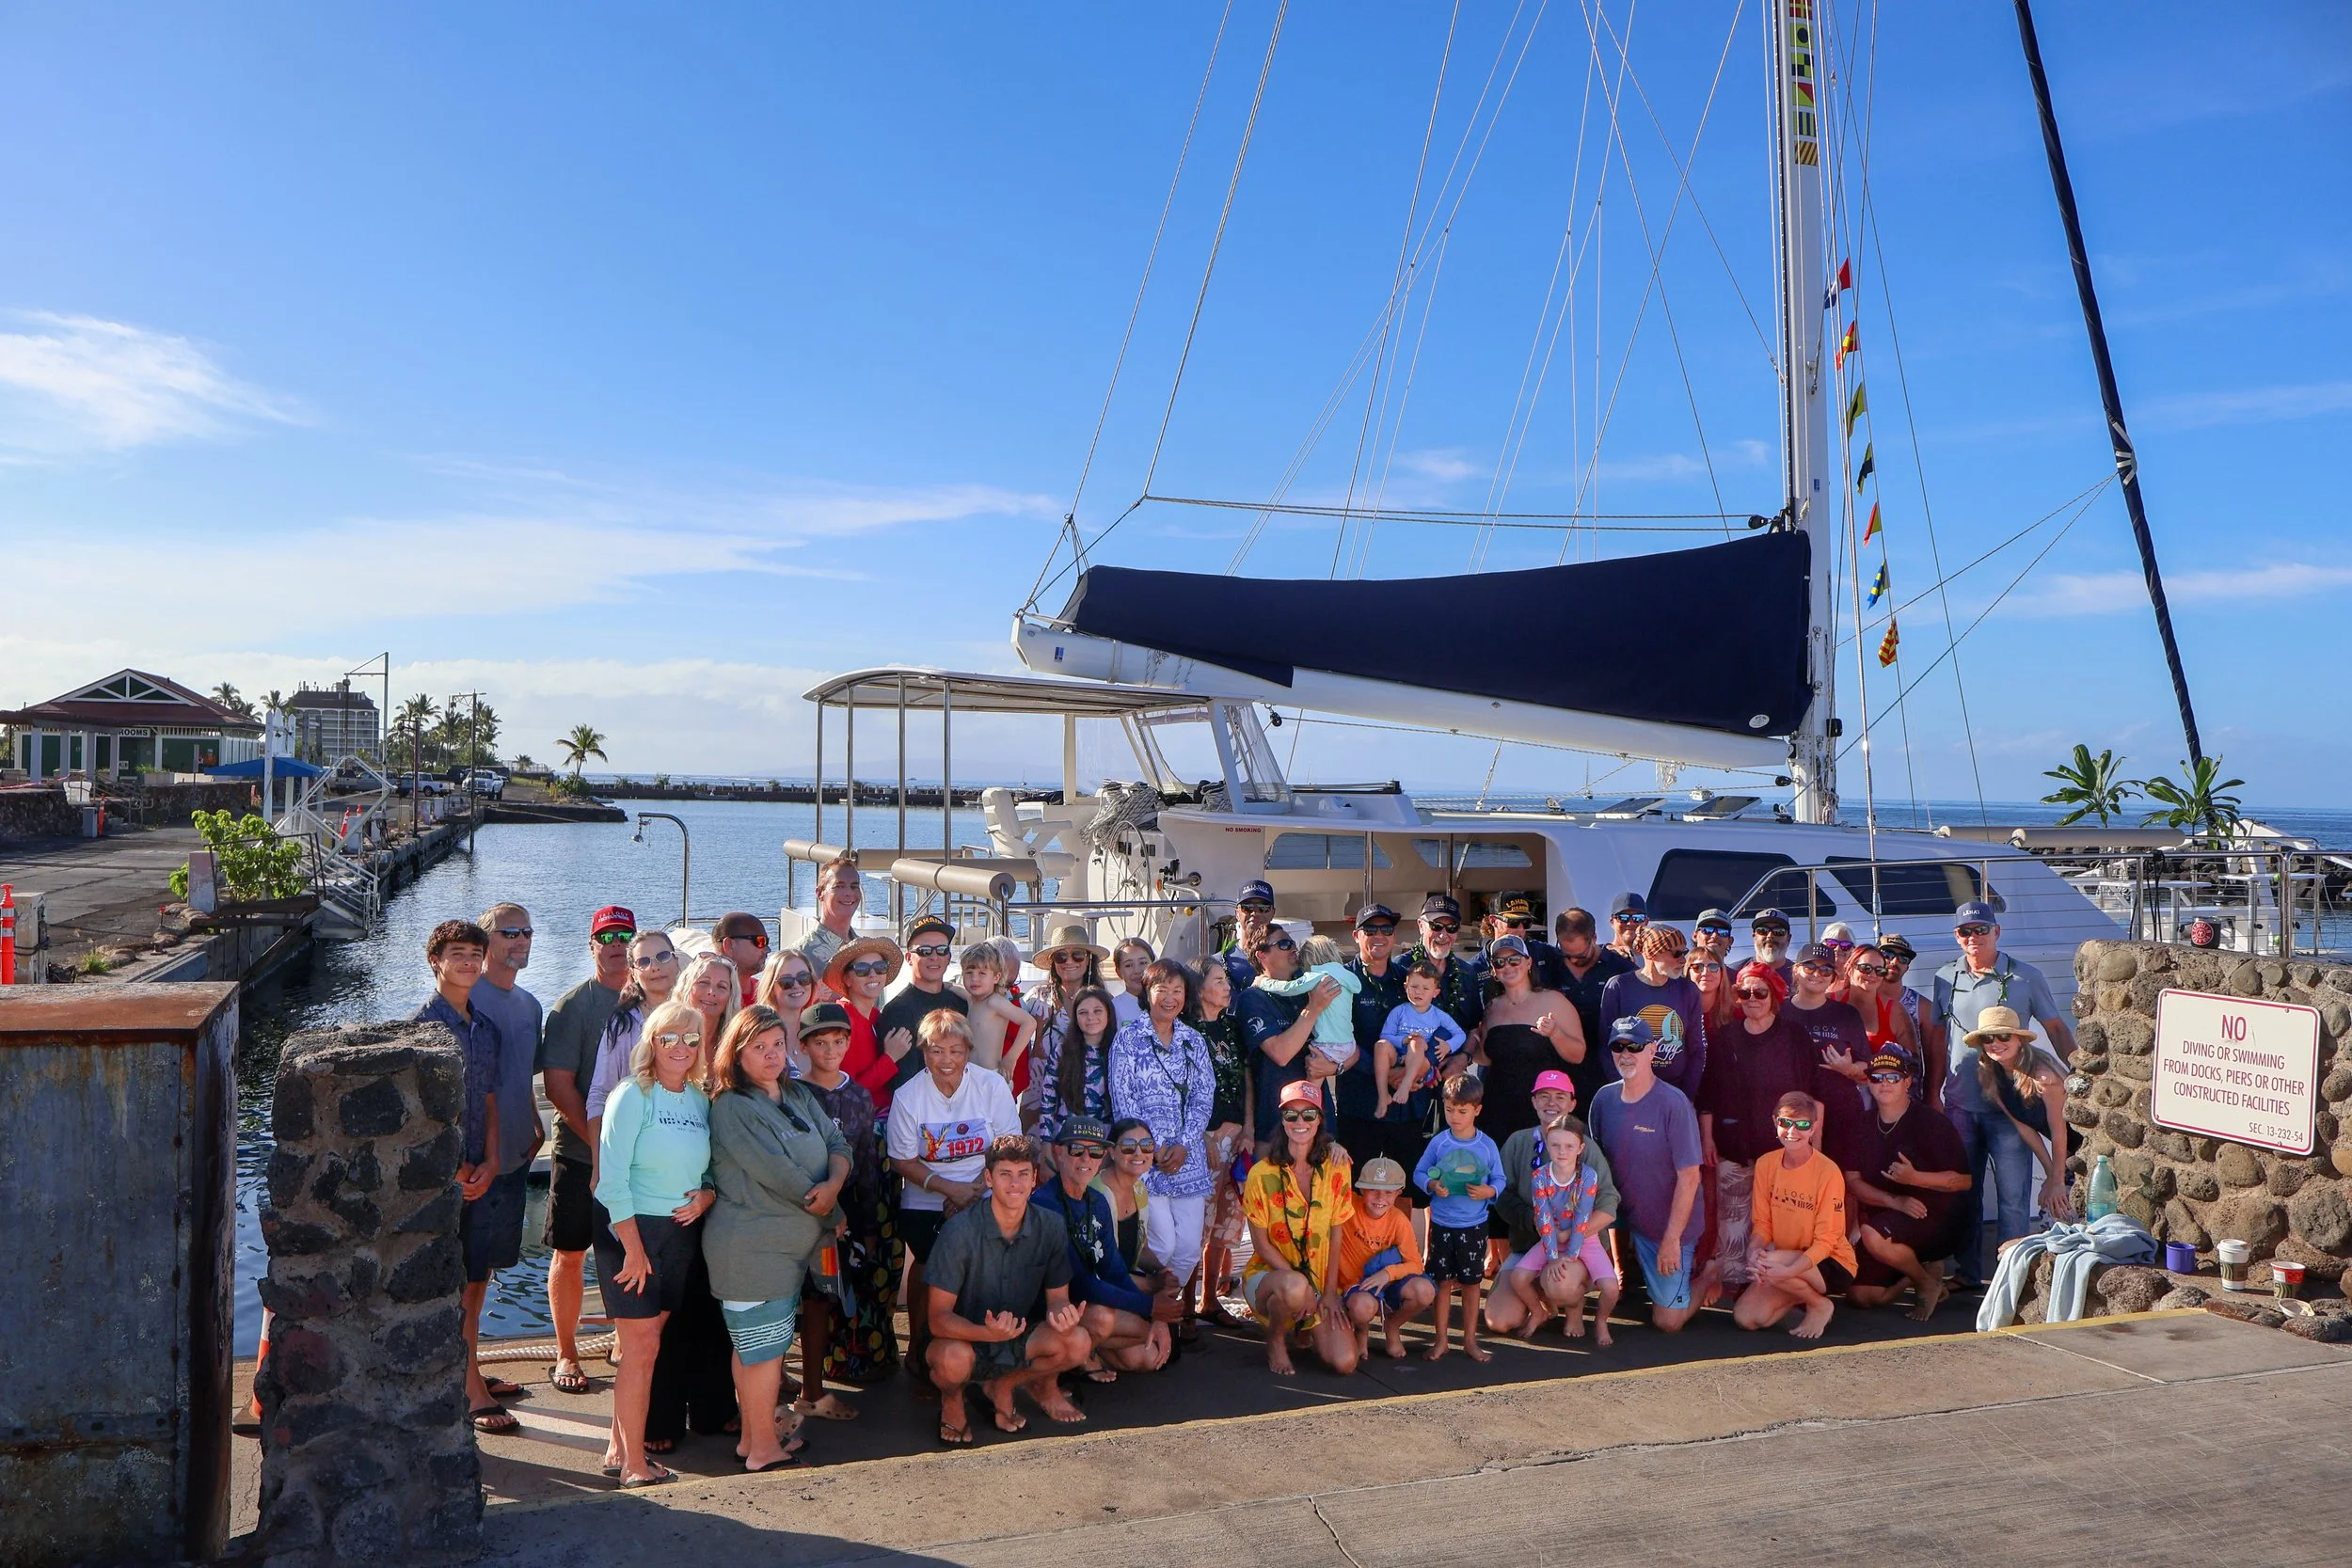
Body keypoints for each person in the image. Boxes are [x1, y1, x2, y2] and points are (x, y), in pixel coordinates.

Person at [704, 1005, 850, 1471]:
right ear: (736, 1053)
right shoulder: (731, 1107)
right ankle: (764, 1449)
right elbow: (782, 1176)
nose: (771, 1055)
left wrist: (835, 1186)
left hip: (788, 1252)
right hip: (751, 1251)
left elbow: (838, 1145)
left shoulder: (797, 1095)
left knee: (756, 1350)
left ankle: (753, 1438)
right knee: (762, 1354)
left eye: (777, 1045)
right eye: (759, 1047)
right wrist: (831, 1206)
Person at [593, 999, 714, 1488]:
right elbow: (610, 1181)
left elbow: (705, 1170)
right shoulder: (631, 1095)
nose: (680, 1047)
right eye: (669, 1037)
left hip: (680, 1234)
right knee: (641, 1350)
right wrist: (634, 1248)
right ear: (652, 1042)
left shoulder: (699, 1100)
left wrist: (707, 1196)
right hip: (631, 1232)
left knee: (644, 1347)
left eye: (691, 1038)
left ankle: (620, 1445)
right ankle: (635, 1466)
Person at [1928, 902, 2074, 1289]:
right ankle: (1969, 1273)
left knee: (2013, 1196)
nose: (1972, 938)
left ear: (1997, 932)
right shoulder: (1945, 977)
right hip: (1961, 1103)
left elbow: (2056, 1028)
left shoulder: (2025, 977)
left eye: (1980, 929)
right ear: (1956, 937)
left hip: (2010, 1105)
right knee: (1966, 1194)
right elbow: (1939, 1039)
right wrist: (1934, 1092)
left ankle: (2015, 1277)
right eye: (1964, 932)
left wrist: (2078, 1075)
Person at [923, 1135, 1094, 1443]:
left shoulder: (1051, 1225)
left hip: (1018, 1336)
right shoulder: (959, 1232)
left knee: (1077, 1341)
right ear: (989, 1178)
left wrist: (1062, 1314)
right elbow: (938, 1319)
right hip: (964, 1340)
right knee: (950, 1360)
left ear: (1034, 1180)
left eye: (1023, 1174)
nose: (1015, 1183)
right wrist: (986, 1333)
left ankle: (1005, 1385)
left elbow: (1057, 1298)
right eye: (1005, 1174)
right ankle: (952, 1402)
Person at [886, 1009, 1021, 1382]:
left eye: (956, 1051)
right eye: (936, 1051)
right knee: (928, 1265)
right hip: (929, 1196)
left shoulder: (991, 1086)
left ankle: (982, 1349)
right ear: (924, 1052)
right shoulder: (908, 1095)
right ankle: (917, 1346)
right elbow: (901, 1159)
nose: (947, 1060)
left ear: (968, 1051)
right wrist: (948, 1189)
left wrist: (974, 1189)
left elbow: (1009, 1144)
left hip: (984, 1190)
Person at [412, 920, 506, 1433]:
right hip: (439, 1179)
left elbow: (487, 1101)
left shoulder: (485, 1029)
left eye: (475, 953)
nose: (468, 962)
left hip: (479, 1174)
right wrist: (452, 1167)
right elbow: (420, 1113)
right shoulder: (420, 1029)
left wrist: (491, 1161)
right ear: (436, 961)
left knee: (476, 1280)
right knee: (446, 1286)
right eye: (458, 953)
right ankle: (464, 1388)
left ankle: (471, 1376)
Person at [537, 904, 634, 1395]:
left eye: (625, 935)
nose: (616, 944)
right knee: (571, 1254)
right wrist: (600, 1145)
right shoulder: (572, 1007)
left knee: (628, 1251)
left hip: (640, 1160)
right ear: (592, 945)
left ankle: (624, 1334)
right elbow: (558, 1086)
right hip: (578, 1153)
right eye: (607, 936)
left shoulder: (653, 1000)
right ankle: (566, 1352)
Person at [793, 1002, 897, 1394]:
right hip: (805, 1213)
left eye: (839, 1041)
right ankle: (810, 1388)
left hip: (849, 1213)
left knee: (841, 1289)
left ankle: (845, 1365)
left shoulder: (858, 1095)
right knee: (812, 1298)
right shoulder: (793, 1095)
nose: (831, 1050)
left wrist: (867, 1224)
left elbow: (867, 1163)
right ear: (804, 1046)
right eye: (820, 1042)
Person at [1695, 961, 1816, 1296]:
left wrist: (1812, 1146)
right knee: (1732, 1220)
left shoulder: (1794, 1036)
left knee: (1779, 1220)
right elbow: (1709, 1093)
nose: (1752, 998)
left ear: (1774, 996)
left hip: (1783, 1150)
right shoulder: (1726, 1037)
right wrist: (1707, 1138)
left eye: (1759, 992)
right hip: (1733, 1145)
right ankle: (1734, 1282)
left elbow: (1809, 1096)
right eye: (1743, 992)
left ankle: (1772, 1283)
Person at [1108, 958, 1216, 1329]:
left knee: (1187, 1249)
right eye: (1161, 989)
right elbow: (1122, 1098)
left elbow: (1204, 1096)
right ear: (1147, 992)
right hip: (1143, 1161)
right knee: (1162, 1246)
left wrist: (1185, 1144)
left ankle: (1162, 1314)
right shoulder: (1127, 1038)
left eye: (1177, 990)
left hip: (1188, 1160)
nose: (1169, 998)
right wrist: (1149, 1148)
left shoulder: (1194, 1041)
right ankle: (1149, 1313)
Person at [1836, 1045, 1972, 1320]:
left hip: (1934, 1218)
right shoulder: (1860, 1125)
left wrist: (1915, 1178)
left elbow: (1964, 1182)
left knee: (1873, 1234)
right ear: (1869, 1083)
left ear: (1907, 1082)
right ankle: (1922, 1275)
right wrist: (1894, 1201)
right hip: (1889, 1219)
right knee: (1860, 1296)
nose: (1884, 1084)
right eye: (1877, 1077)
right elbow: (1852, 1181)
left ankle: (1924, 1283)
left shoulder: (1931, 1122)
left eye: (1893, 1077)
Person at [1031, 1117, 1174, 1377]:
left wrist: (1155, 1316)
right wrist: (1150, 1308)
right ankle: (1053, 1370)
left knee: (1146, 1357)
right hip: (1046, 1309)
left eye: (1095, 1151)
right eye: (1077, 1150)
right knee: (1105, 1320)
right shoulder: (1045, 1205)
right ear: (1058, 1152)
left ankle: (1089, 1351)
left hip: (1084, 1304)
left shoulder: (1095, 1201)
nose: (1086, 1158)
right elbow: (1079, 1283)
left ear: (1102, 1156)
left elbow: (1114, 1270)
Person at [1589, 1018, 1705, 1332]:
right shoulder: (1603, 1100)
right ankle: (1624, 1270)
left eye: (1635, 1047)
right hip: (1628, 1218)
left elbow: (1690, 1177)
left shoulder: (1674, 1103)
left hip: (1664, 1228)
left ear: (1652, 1050)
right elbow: (1599, 1171)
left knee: (1668, 1323)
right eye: (1618, 1046)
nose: (1626, 1054)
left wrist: (1671, 1240)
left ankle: (1707, 1278)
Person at [1239, 1081, 1360, 1376]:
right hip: (1271, 1278)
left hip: (1319, 1281)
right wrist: (1301, 1283)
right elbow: (1261, 1245)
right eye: (1291, 1115)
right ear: (1282, 1121)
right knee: (1294, 1288)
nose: (1300, 1122)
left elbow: (1336, 1232)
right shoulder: (1261, 1173)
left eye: (1308, 1114)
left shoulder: (1338, 1167)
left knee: (1345, 1363)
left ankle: (1304, 1327)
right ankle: (1277, 1339)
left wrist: (1329, 1293)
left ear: (1319, 1119)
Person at [1487, 1070, 1623, 1335]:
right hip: (1529, 1245)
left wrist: (1568, 1236)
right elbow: (1500, 1195)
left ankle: (1573, 1307)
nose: (1551, 1103)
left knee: (1561, 1285)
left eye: (1560, 1097)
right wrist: (1534, 1221)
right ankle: (1539, 1303)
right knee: (1499, 1321)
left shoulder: (1586, 1148)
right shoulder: (1517, 1142)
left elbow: (1609, 1202)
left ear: (1572, 1104)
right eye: (1544, 1096)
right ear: (1534, 1102)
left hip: (1576, 1247)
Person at [1732, 1091, 1856, 1339]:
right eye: (1785, 1123)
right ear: (1775, 1122)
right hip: (1786, 1260)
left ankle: (1818, 1303)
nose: (1792, 1131)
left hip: (1831, 1262)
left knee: (1771, 1263)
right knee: (1746, 1317)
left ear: (1814, 1128)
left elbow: (1826, 1241)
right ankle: (1799, 1293)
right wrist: (1752, 1251)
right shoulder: (1766, 1164)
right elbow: (1763, 1224)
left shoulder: (1828, 1171)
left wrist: (1786, 1272)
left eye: (1802, 1125)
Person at [1334, 903, 1430, 1196]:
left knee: (1404, 1192)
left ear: (1393, 935)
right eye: (1370, 929)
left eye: (1386, 929)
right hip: (1359, 1106)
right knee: (1355, 1191)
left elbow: (1428, 1029)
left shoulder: (1408, 980)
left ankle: (1401, 1244)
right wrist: (1384, 1073)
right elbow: (1337, 1040)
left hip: (1407, 1107)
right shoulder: (1343, 982)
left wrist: (1420, 1070)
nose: (1379, 935)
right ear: (1356, 935)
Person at [1412, 1075, 1505, 1363]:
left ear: (1477, 1109)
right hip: (1442, 1225)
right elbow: (1418, 1173)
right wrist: (1431, 1185)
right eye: (1450, 1110)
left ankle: (1469, 1341)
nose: (1455, 1117)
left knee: (1472, 1284)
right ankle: (1441, 1341)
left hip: (1474, 1226)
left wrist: (1488, 1190)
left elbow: (1500, 1179)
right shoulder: (1439, 1143)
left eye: (1462, 1111)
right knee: (1442, 1284)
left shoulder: (1486, 1145)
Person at [1188, 958, 1254, 1330]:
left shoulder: (1231, 1026)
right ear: (1201, 988)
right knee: (1198, 1222)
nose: (1227, 986)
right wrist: (1199, 1134)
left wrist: (1248, 1126)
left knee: (1225, 1223)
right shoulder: (1187, 1029)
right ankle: (1184, 1306)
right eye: (1218, 981)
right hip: (1205, 1138)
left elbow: (1246, 1076)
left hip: (1235, 1135)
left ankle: (1209, 1299)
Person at [1237, 924, 1347, 1143]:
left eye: (1293, 944)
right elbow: (1281, 1053)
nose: (1293, 949)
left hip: (1318, 1119)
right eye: (1284, 944)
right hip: (1274, 1123)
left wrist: (1336, 1066)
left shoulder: (1310, 987)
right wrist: (1313, 1008)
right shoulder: (1252, 998)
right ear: (1262, 956)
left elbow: (1350, 1044)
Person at [1473, 935, 1585, 1146]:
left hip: (1541, 1111)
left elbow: (1578, 1055)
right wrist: (1472, 1041)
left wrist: (1555, 1034)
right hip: (1497, 1111)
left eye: (1514, 959)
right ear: (1493, 971)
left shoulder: (1553, 1000)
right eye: (1499, 962)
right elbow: (1486, 1059)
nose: (1507, 966)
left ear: (1528, 963)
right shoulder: (1492, 1008)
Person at [1974, 1008, 2074, 1224]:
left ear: (2019, 1039)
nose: (1995, 1043)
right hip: (2066, 1156)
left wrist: (2058, 1180)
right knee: (2052, 1216)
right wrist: (2050, 1175)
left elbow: (2060, 1132)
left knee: (2062, 1214)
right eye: (1987, 1038)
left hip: (2085, 1148)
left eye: (2004, 1036)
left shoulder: (2044, 1076)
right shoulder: (1989, 1075)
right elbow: (2023, 1128)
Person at [1335, 1157, 1434, 1361]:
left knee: (1425, 1291)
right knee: (1363, 1308)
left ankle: (1392, 1325)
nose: (1381, 1197)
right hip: (1356, 1284)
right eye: (1373, 1190)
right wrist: (1337, 1149)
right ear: (1361, 1189)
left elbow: (1415, 1264)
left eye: (1389, 1192)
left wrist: (1387, 1274)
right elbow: (1334, 1179)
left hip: (1386, 1282)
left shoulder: (1398, 1220)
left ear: (1398, 1193)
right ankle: (1361, 1331)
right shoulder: (1348, 1205)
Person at [586, 930, 681, 1139]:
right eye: (644, 962)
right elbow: (600, 1094)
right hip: (635, 1140)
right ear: (634, 972)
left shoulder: (694, 1016)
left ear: (676, 961)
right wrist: (599, 1162)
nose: (654, 967)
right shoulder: (622, 1024)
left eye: (663, 957)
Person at [1598, 923, 1708, 1098]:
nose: (1683, 960)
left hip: (1676, 1092)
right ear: (1652, 954)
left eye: (1684, 952)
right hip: (1630, 1093)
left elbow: (1697, 1050)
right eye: (1677, 953)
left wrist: (1686, 1096)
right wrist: (1623, 1091)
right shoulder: (1619, 987)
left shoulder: (1688, 989)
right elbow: (1605, 1047)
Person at [1784, 942, 1872, 1144]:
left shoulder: (1847, 1015)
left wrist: (1848, 1069)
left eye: (1825, 969)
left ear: (1833, 976)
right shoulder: (1778, 1011)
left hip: (1840, 1113)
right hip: (1792, 1118)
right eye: (1810, 967)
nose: (1817, 974)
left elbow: (1866, 1065)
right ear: (1796, 971)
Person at [1551, 908, 1633, 1106]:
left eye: (1580, 955)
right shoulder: (1549, 964)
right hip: (1560, 1073)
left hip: (1608, 1072)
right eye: (1566, 954)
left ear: (1594, 938)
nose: (1572, 960)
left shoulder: (1620, 968)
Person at [882, 915, 968, 1093]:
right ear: (909, 958)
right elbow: (903, 1082)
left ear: (949, 956)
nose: (934, 957)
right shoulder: (897, 1012)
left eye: (942, 950)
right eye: (925, 951)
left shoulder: (962, 1002)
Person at [1374, 960, 1469, 1119]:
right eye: (1414, 987)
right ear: (1406, 987)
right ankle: (1383, 1096)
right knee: (1380, 1046)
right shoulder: (1399, 1011)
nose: (1419, 992)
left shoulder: (1438, 1015)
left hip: (1419, 1061)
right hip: (1397, 1056)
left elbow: (1460, 1034)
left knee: (1417, 1042)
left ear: (1435, 992)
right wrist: (1403, 1040)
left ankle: (1406, 1083)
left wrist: (1448, 1046)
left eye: (1425, 988)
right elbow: (1385, 1036)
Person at [1254, 933, 1362, 1072]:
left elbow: (1289, 988)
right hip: (1349, 1044)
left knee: (1314, 1076)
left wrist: (1263, 982)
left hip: (1327, 1045)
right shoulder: (1347, 976)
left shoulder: (1317, 976)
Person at [1030, 986, 1120, 1151]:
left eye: (1097, 1011)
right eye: (1083, 1012)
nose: (1090, 1017)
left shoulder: (1120, 1051)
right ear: (1076, 1017)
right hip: (1066, 1143)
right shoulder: (1062, 1051)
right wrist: (1047, 1148)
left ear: (1109, 1013)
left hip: (1106, 1146)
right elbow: (1048, 1102)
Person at [823, 935, 905, 1115]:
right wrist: (890, 1059)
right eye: (862, 969)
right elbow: (848, 1093)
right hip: (864, 1123)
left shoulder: (876, 1017)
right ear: (847, 979)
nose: (873, 974)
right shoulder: (842, 1023)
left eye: (880, 967)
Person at [1404, 894, 1486, 1036]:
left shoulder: (1467, 972)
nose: (1443, 935)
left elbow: (1475, 1028)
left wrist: (1463, 1056)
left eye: (1451, 928)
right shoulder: (1401, 968)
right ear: (1421, 926)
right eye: (1436, 926)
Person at [958, 940, 1037, 1082]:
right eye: (969, 973)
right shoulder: (972, 999)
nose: (974, 979)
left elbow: (1029, 1022)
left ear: (996, 977)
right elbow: (953, 988)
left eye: (982, 973)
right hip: (970, 1075)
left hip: (991, 1076)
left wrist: (1011, 1058)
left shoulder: (994, 1001)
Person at [794, 853, 864, 987]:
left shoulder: (866, 950)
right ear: (820, 893)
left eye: (854, 886)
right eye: (839, 886)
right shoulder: (799, 955)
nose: (849, 893)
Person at [677, 951, 743, 1085]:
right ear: (687, 988)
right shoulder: (668, 1038)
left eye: (721, 986)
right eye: (703, 983)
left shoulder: (739, 1044)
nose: (711, 992)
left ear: (730, 998)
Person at [754, 947, 820, 1079]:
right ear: (771, 987)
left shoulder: (819, 1032)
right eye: (786, 982)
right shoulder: (757, 1034)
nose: (796, 985)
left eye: (804, 978)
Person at [1216, 879, 1279, 994]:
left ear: (1273, 912)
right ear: (1237, 913)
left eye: (1263, 907)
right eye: (1247, 907)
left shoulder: (1287, 959)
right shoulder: (1217, 963)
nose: (1255, 913)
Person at [713, 911, 772, 1008]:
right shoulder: (709, 999)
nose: (767, 949)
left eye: (766, 942)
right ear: (729, 945)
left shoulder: (767, 994)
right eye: (760, 941)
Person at [1109, 936, 1155, 1026]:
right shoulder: (1114, 1007)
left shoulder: (1166, 1002)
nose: (1137, 971)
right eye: (1129, 965)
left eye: (1143, 963)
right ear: (1118, 972)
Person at [1747, 909, 1794, 982]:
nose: (1770, 936)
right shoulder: (1734, 973)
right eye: (1763, 930)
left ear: (1788, 938)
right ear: (1754, 937)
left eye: (1778, 931)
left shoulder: (1801, 976)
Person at [1606, 891, 1649, 961]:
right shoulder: (1601, 957)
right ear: (1612, 922)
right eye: (1623, 917)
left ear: (1646, 922)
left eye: (1638, 918)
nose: (1630, 923)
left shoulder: (1657, 959)